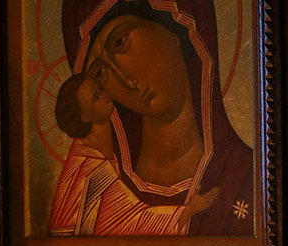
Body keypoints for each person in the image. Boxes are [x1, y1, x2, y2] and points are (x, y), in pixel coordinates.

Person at [56, 0, 254, 236]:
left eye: (120, 42)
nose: (126, 81)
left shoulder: (248, 177)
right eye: (100, 73)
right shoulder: (97, 189)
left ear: (174, 28)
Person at [49, 67, 218, 235]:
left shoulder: (103, 153)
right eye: (96, 97)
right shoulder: (89, 171)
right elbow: (131, 220)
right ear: (84, 116)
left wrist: (186, 209)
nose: (104, 94)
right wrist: (187, 211)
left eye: (100, 88)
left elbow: (126, 217)